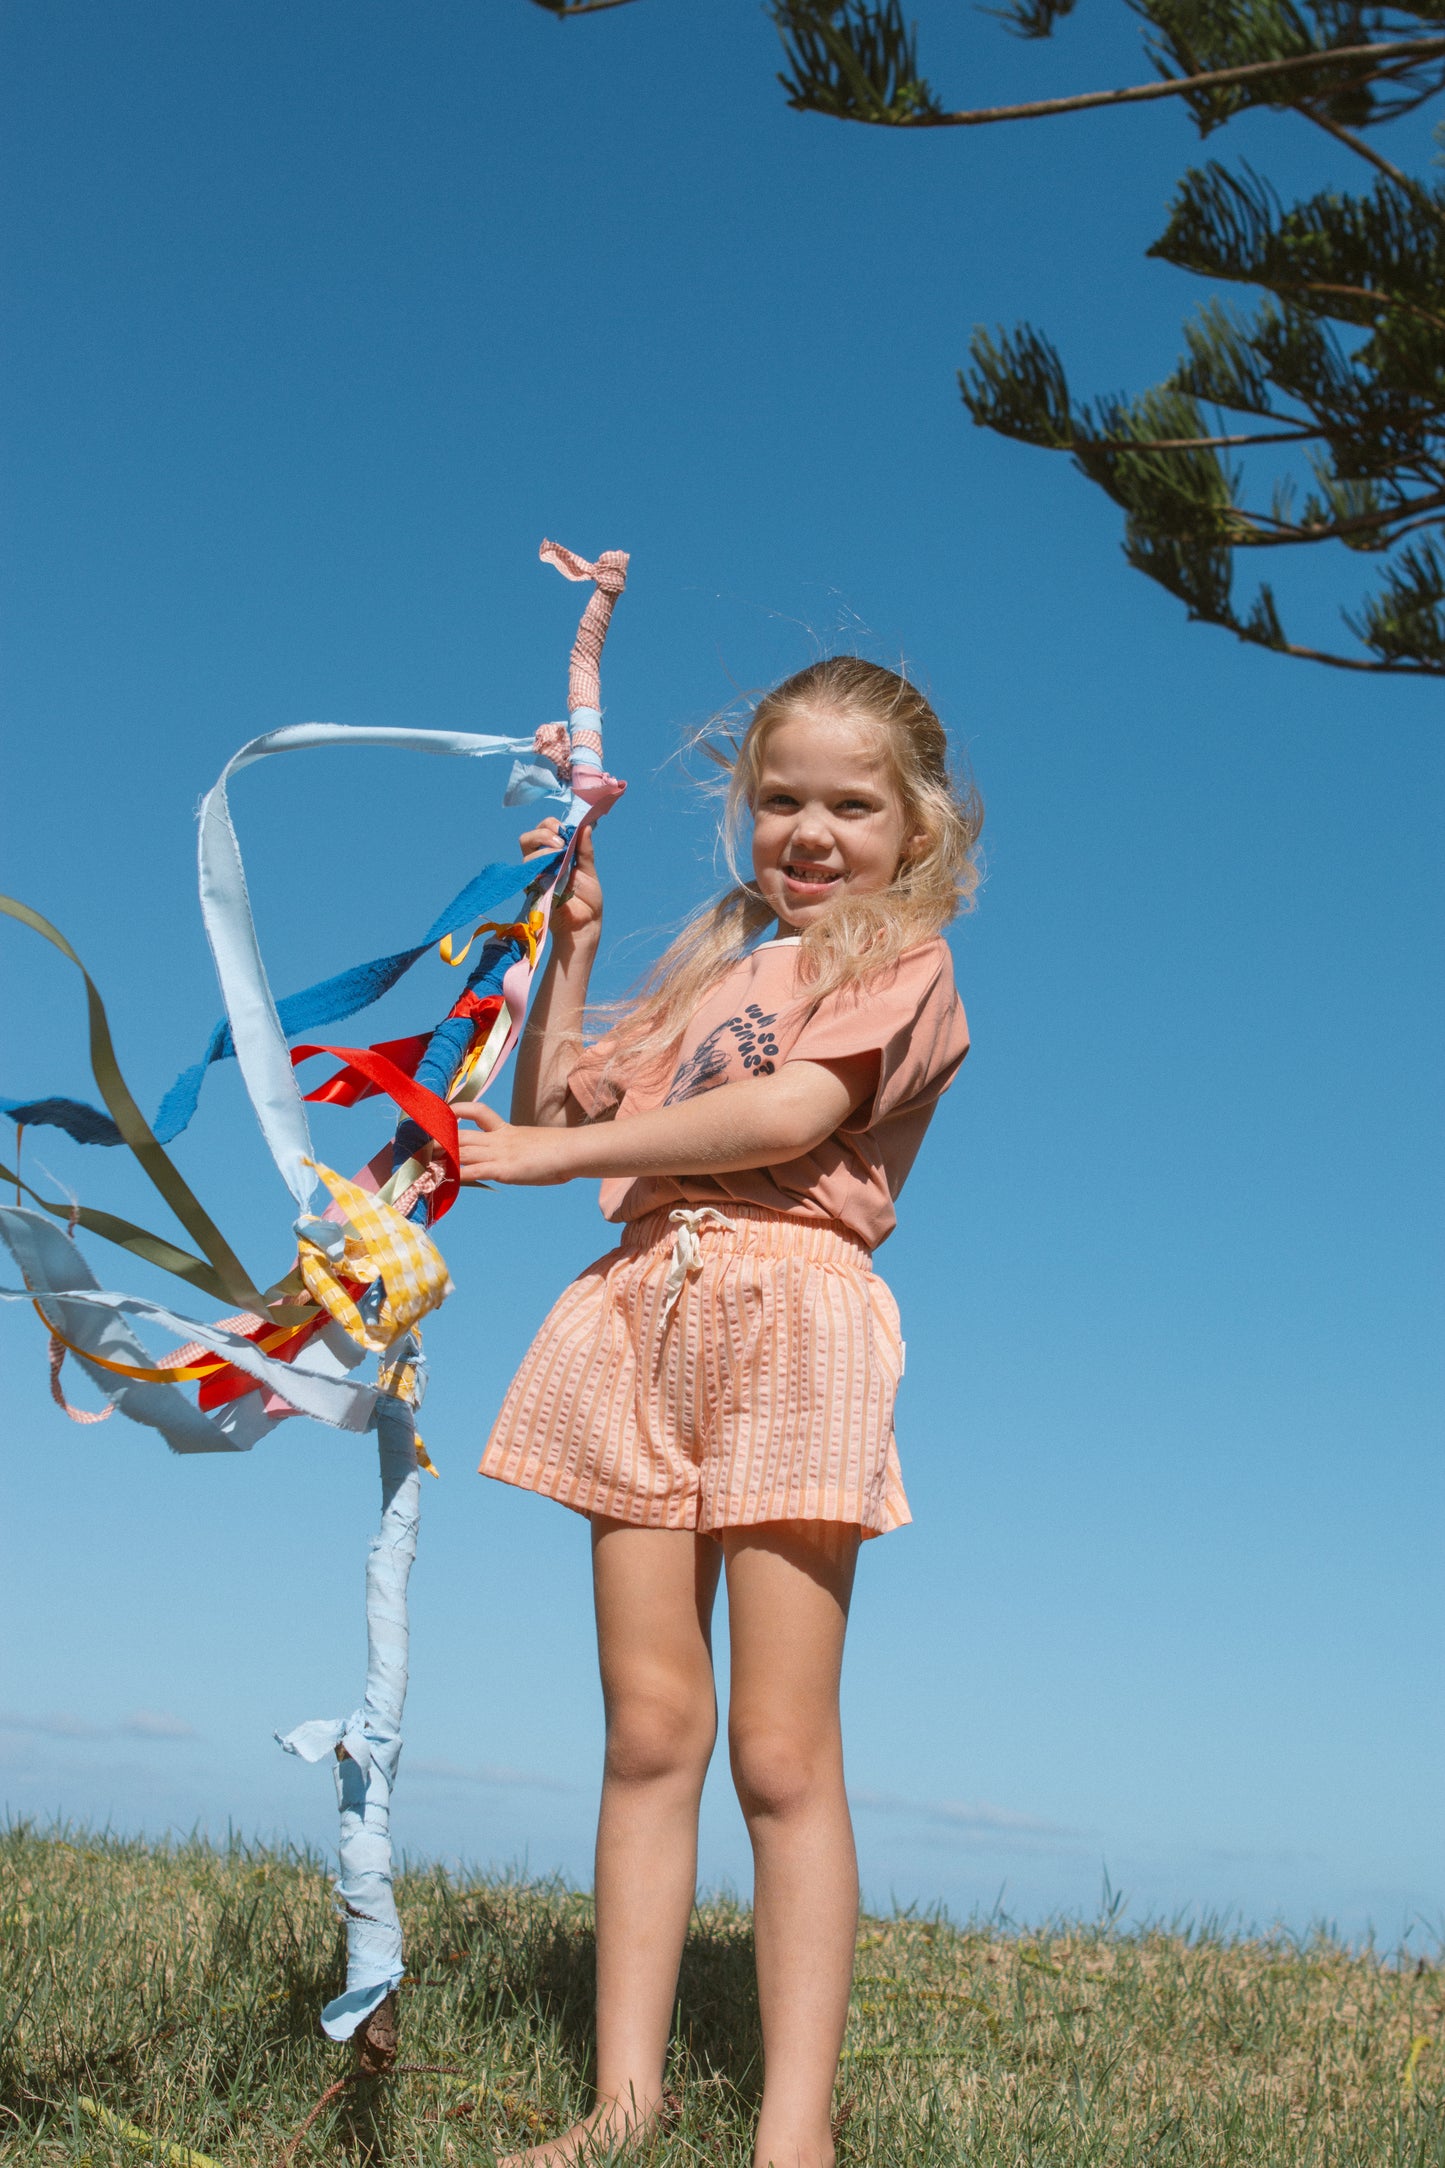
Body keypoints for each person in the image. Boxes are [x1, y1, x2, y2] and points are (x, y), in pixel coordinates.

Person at [459, 656, 983, 2168]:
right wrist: (576, 955)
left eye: (848, 804)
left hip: (790, 1313)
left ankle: (793, 2130)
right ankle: (621, 2106)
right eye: (777, 800)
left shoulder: (903, 961)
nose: (807, 831)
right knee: (647, 1729)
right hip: (641, 1307)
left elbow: (786, 1117)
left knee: (775, 1750)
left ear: (917, 828)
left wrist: (546, 1164)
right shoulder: (707, 971)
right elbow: (566, 1107)